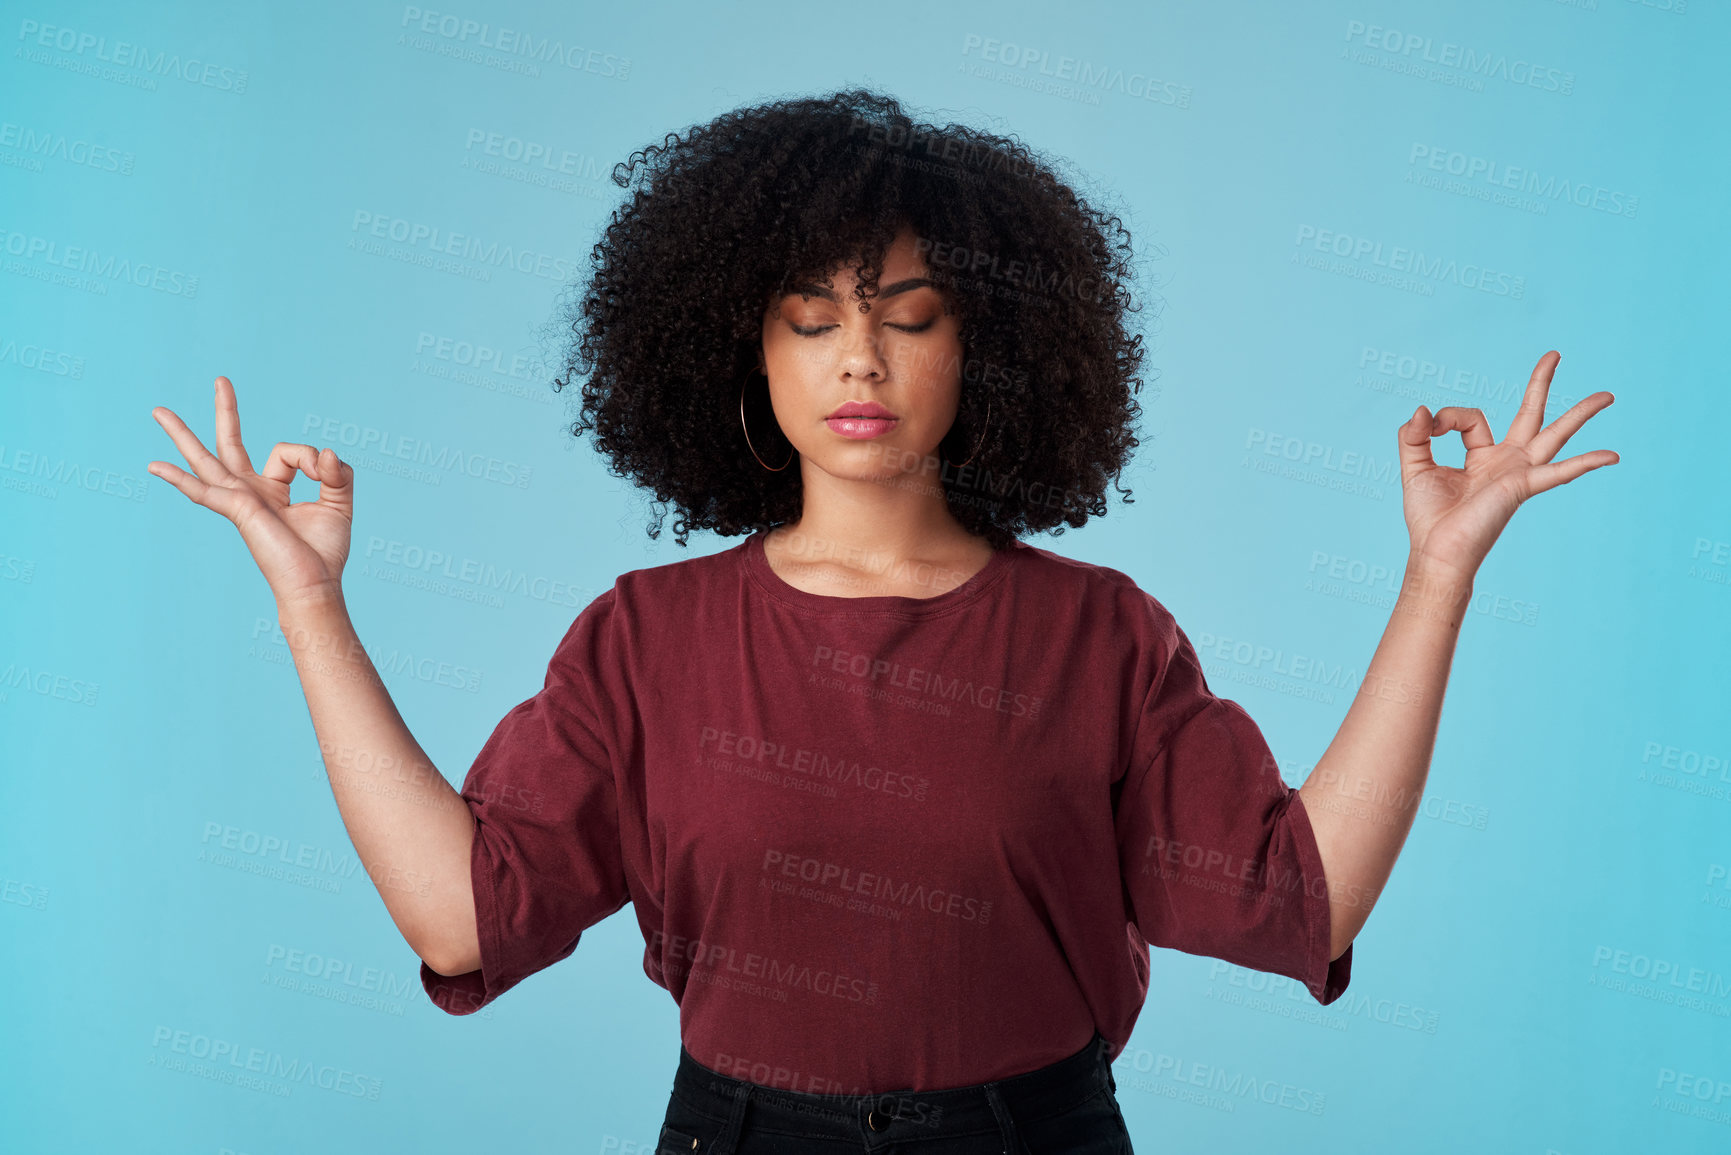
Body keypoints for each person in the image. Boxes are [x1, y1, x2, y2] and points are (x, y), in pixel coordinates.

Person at [147, 89, 1618, 1154]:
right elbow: (466, 911)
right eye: (812, 315)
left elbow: (1298, 896)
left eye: (911, 315)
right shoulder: (643, 639)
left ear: (992, 352)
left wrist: (1440, 576)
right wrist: (307, 599)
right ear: (745, 350)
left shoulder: (1101, 637)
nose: (861, 355)